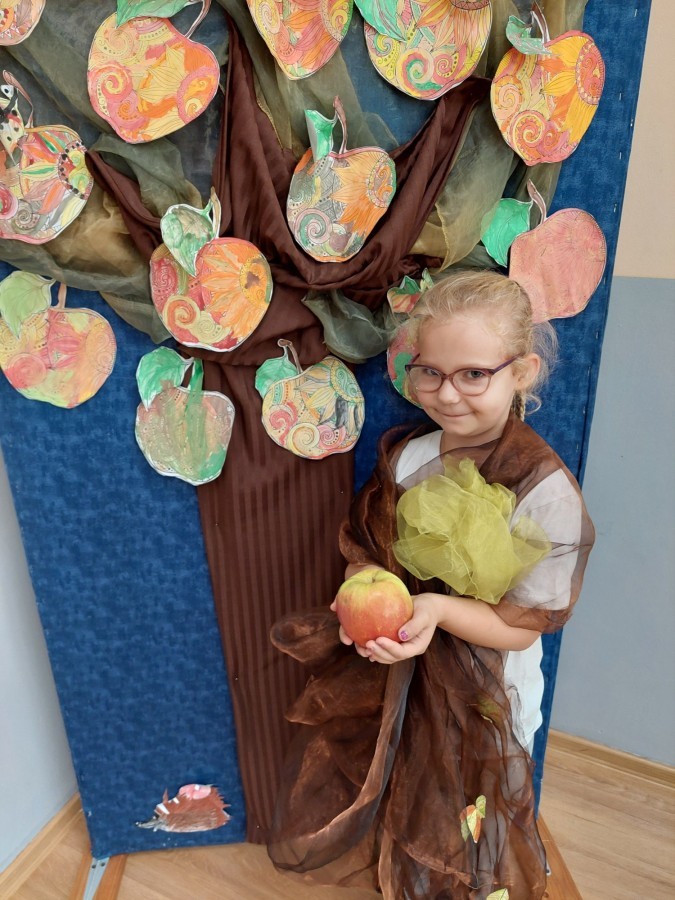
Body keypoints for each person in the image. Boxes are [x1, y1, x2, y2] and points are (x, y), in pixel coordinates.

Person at [268, 270, 595, 900]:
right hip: (404, 674)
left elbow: (522, 627)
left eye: (473, 374)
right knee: (414, 789)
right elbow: (367, 556)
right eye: (430, 373)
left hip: (488, 690)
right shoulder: (408, 458)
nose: (447, 394)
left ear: (522, 372)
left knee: (475, 809)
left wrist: (438, 609)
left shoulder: (543, 490)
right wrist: (362, 593)